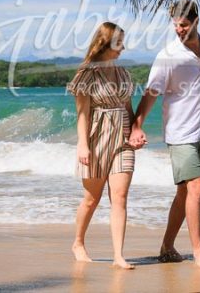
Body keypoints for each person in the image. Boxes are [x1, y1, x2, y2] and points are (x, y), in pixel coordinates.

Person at [129, 0, 200, 269]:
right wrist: (137, 125)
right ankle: (199, 252)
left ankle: (167, 247)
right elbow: (151, 92)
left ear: (196, 21)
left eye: (183, 24)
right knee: (196, 186)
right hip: (179, 133)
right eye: (175, 25)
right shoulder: (168, 56)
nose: (178, 29)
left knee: (185, 194)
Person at [67, 22, 136, 269]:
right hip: (97, 138)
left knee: (120, 196)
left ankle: (118, 255)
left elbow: (128, 108)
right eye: (119, 43)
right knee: (91, 199)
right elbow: (83, 114)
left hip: (123, 139)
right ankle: (78, 243)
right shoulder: (86, 74)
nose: (123, 48)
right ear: (104, 43)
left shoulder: (124, 74)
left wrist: (136, 130)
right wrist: (82, 145)